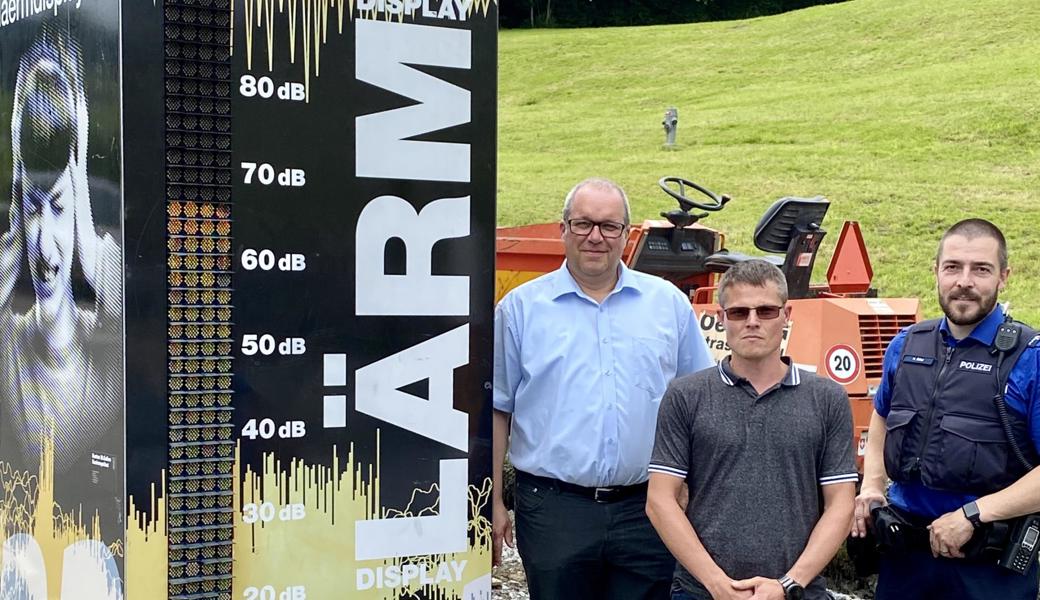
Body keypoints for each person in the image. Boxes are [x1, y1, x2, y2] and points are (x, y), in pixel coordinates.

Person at [492, 177, 714, 599]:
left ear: (626, 236)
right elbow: (498, 408)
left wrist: (693, 485)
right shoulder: (520, 310)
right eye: (583, 224)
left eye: (609, 226)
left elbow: (699, 401)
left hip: (647, 510)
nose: (596, 236)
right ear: (563, 230)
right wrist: (494, 502)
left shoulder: (667, 305)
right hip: (554, 508)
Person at [851, 219, 1040, 599]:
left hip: (987, 568)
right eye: (953, 267)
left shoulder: (1029, 358)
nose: (964, 281)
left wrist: (975, 514)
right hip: (904, 558)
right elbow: (882, 420)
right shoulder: (905, 345)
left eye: (981, 269)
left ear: (1004, 277)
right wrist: (872, 486)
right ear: (936, 270)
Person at [647, 259, 857, 600]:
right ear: (721, 318)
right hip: (701, 593)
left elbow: (841, 505)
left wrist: (788, 584)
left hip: (797, 593)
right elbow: (660, 501)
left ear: (786, 315)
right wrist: (716, 583)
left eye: (766, 311)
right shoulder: (686, 395)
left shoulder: (827, 397)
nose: (753, 322)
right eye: (739, 312)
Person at [0, 27, 123, 482]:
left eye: (58, 210)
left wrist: (79, 193)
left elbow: (130, 304)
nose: (44, 242)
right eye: (32, 211)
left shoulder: (108, 363)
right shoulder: (9, 345)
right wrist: (21, 167)